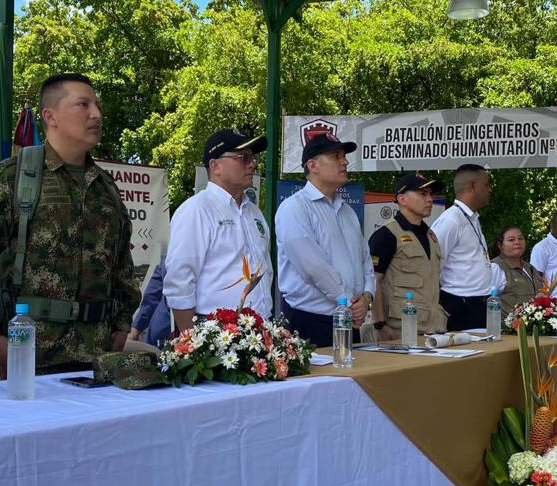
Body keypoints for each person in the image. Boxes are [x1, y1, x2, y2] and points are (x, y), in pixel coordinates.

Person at [0, 73, 140, 376]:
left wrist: (121, 325)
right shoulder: (14, 179)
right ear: (50, 116)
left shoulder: (106, 188)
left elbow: (122, 266)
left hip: (97, 354)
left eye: (97, 105)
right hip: (31, 355)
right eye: (83, 105)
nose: (97, 114)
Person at [164, 130, 273, 334]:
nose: (253, 164)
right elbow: (179, 281)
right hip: (214, 333)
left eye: (253, 158)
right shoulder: (196, 209)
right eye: (243, 158)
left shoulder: (253, 212)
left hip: (260, 331)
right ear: (216, 166)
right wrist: (191, 340)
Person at [276, 132, 375, 347]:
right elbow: (312, 267)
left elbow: (364, 259)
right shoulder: (294, 208)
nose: (345, 162)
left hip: (350, 318)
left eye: (344, 156)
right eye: (336, 156)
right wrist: (350, 302)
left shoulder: (347, 211)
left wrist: (367, 297)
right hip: (311, 322)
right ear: (313, 165)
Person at [368, 173, 449, 341]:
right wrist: (380, 324)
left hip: (434, 329)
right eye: (422, 194)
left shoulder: (430, 235)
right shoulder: (387, 235)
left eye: (430, 194)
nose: (430, 199)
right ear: (402, 199)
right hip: (400, 330)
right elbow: (374, 280)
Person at [429, 163, 492, 331]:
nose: (490, 189)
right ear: (472, 186)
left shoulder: (472, 218)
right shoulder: (450, 220)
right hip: (460, 305)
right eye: (486, 184)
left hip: (479, 303)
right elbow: (433, 264)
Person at [489, 225, 545, 315]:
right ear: (500, 245)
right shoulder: (496, 268)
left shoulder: (530, 268)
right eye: (511, 240)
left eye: (520, 238)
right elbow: (486, 301)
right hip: (505, 328)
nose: (517, 242)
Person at [128, 258, 171, 348]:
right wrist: (136, 328)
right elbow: (154, 292)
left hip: (185, 339)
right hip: (159, 338)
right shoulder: (175, 251)